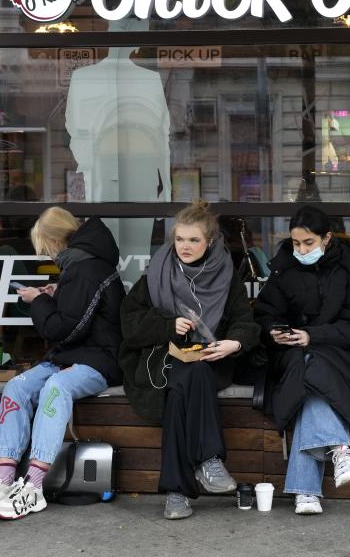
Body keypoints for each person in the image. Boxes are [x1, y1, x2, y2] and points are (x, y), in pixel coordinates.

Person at [0, 207, 125, 520]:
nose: (47, 257)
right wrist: (52, 294)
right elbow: (76, 317)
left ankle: (34, 487)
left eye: (45, 250)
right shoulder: (80, 266)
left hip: (99, 361)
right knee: (15, 387)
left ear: (54, 242)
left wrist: (37, 301)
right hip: (73, 357)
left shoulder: (85, 269)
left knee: (55, 387)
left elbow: (61, 329)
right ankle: (3, 480)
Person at [119, 200, 261, 520]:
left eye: (193, 240)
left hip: (211, 358)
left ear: (209, 242)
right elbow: (130, 324)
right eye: (180, 239)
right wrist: (167, 326)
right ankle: (209, 460)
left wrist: (233, 343)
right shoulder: (158, 272)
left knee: (185, 385)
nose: (185, 246)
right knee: (186, 378)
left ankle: (177, 492)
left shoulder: (227, 276)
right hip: (161, 358)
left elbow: (246, 321)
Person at [254, 205, 350, 515]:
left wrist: (312, 335)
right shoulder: (284, 268)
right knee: (307, 370)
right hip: (291, 354)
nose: (301, 249)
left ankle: (306, 492)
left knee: (310, 376)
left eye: (308, 243)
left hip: (342, 354)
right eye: (296, 243)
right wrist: (273, 332)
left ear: (327, 238)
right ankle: (339, 448)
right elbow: (265, 313)